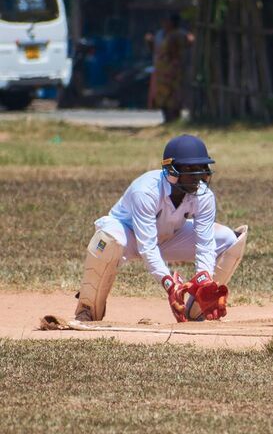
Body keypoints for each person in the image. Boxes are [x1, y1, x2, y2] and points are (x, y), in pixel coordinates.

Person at [74, 134, 248, 323]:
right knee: (108, 240)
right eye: (190, 169)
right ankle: (87, 310)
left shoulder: (204, 195)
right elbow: (147, 246)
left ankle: (197, 309)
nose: (198, 176)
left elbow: (205, 244)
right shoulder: (146, 191)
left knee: (230, 240)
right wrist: (170, 285)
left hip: (168, 237)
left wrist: (204, 280)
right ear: (171, 170)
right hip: (129, 236)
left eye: (201, 168)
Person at [146, 12, 192, 123]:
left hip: (174, 71)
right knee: (161, 96)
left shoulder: (180, 35)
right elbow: (156, 51)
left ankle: (174, 119)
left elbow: (180, 52)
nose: (164, 23)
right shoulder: (160, 34)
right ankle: (166, 119)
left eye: (167, 21)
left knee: (174, 96)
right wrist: (149, 43)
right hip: (161, 71)